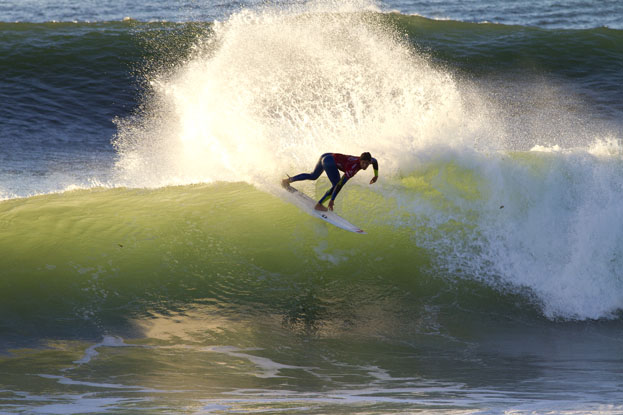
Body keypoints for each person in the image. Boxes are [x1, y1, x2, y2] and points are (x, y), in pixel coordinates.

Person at [282, 152, 378, 211]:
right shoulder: (353, 168)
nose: (365, 165)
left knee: (313, 175)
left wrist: (376, 175)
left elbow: (375, 161)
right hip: (329, 161)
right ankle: (319, 205)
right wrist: (332, 200)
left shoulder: (371, 161)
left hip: (326, 155)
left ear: (369, 162)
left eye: (367, 163)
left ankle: (287, 181)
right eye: (363, 163)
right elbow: (340, 184)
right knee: (336, 184)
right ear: (360, 161)